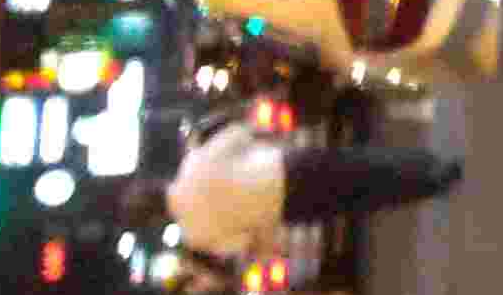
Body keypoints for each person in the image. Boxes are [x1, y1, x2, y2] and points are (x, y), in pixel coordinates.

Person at [152, 113, 460, 272]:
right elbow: (237, 135)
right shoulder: (193, 164)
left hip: (289, 207)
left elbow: (240, 243)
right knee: (361, 165)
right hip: (287, 167)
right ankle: (428, 166)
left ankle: (429, 187)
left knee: (361, 199)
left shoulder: (196, 235)